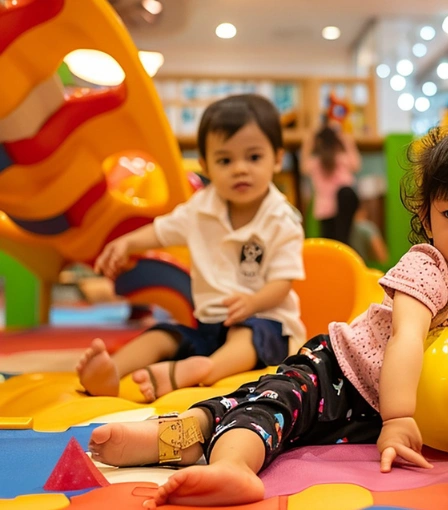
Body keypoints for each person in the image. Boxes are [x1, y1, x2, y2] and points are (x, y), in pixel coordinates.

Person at [87, 119, 448, 508]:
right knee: (269, 407)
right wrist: (400, 416)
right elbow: (406, 338)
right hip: (340, 372)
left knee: (292, 437)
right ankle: (196, 451)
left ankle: (186, 443)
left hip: (382, 417)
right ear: (428, 218)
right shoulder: (428, 268)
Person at [76, 94, 307, 402]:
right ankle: (110, 372)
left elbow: (282, 283)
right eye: (225, 160)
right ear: (205, 165)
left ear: (276, 159)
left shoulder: (281, 219)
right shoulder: (201, 208)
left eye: (253, 158)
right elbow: (161, 231)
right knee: (164, 334)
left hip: (266, 323)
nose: (240, 169)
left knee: (247, 335)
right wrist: (127, 243)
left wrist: (252, 303)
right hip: (208, 324)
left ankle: (206, 368)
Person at [301, 122, 361, 244]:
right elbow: (356, 164)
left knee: (331, 243)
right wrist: (345, 139)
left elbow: (303, 167)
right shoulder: (340, 159)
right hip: (337, 209)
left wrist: (309, 141)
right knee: (343, 241)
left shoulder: (317, 162)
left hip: (327, 209)